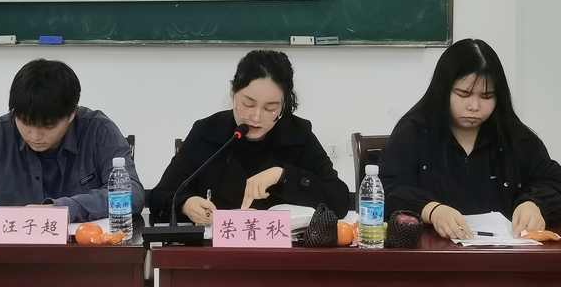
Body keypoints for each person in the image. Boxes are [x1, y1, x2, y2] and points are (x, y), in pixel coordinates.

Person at [0, 59, 145, 229]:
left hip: (85, 254)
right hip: (12, 256)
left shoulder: (97, 131)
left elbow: (132, 194)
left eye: (48, 126)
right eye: (26, 123)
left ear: (71, 114)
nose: (35, 135)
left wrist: (61, 210)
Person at [379, 38, 561, 239]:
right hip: (430, 251)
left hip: (504, 252)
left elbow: (552, 181)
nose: (474, 106)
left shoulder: (515, 137)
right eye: (463, 94)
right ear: (443, 90)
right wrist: (432, 210)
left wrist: (534, 204)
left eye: (486, 96)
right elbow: (387, 189)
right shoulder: (413, 133)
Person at [149, 50, 350, 224]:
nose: (256, 117)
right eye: (248, 104)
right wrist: (185, 204)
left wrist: (283, 176)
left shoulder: (298, 135)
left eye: (270, 108)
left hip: (282, 253)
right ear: (232, 92)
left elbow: (340, 201)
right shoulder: (207, 132)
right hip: (216, 253)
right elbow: (159, 196)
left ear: (283, 105)